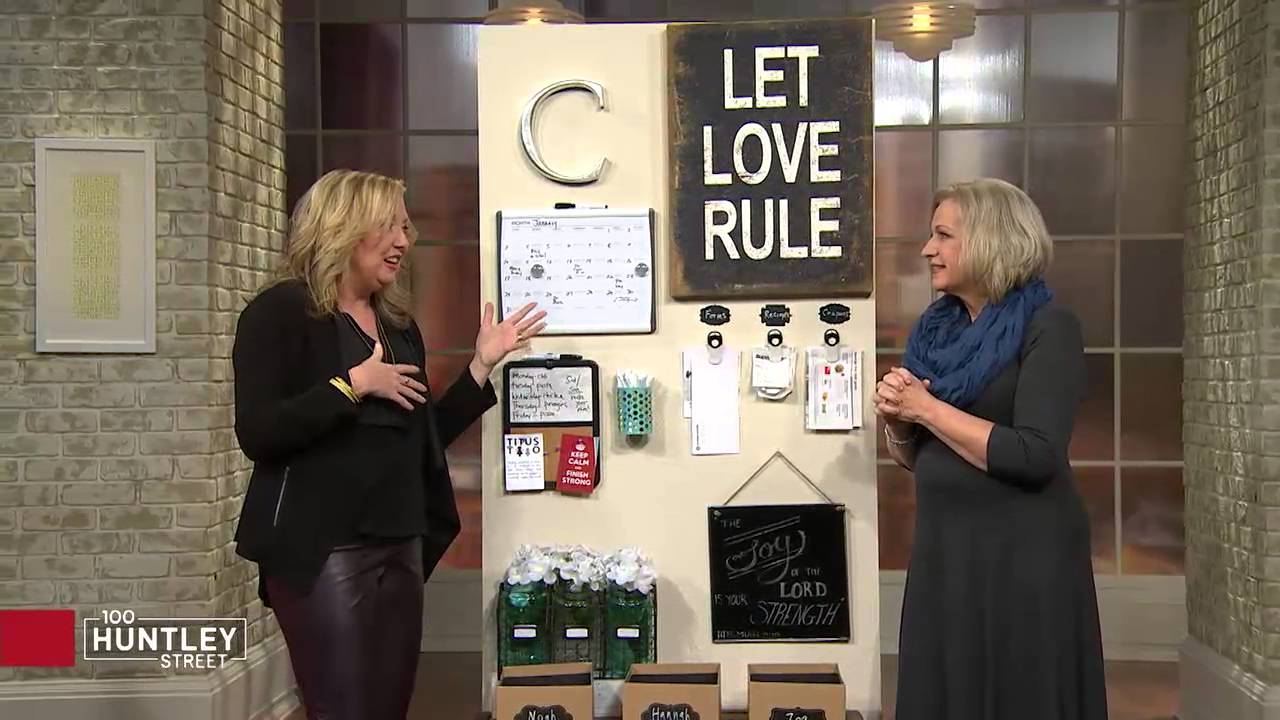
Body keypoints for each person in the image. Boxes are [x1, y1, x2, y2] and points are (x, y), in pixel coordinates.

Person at [231, 169, 545, 720]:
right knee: (343, 709)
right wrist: (352, 385)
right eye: (391, 226)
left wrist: (481, 365)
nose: (405, 240)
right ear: (343, 228)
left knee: (388, 707)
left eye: (406, 227)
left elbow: (422, 438)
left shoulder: (397, 326)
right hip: (325, 551)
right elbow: (259, 432)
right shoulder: (279, 313)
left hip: (400, 543)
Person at [875, 178, 1108, 719]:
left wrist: (926, 409)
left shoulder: (1049, 328)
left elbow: (1035, 454)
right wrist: (899, 422)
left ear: (989, 240)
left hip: (1023, 562)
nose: (927, 249)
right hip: (946, 555)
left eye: (943, 235)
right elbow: (920, 456)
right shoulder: (936, 334)